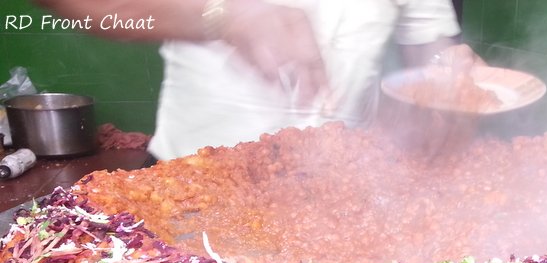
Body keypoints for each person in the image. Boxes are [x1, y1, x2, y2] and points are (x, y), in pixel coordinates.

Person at [36, 0, 475, 160]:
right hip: (191, 193)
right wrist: (220, 15)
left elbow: (430, 38)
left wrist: (447, 66)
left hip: (347, 187)